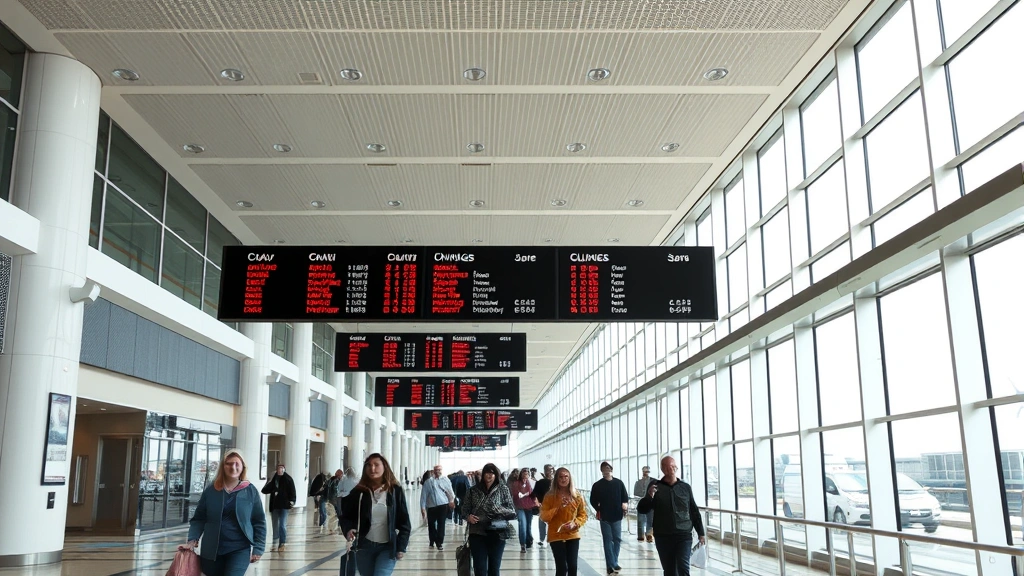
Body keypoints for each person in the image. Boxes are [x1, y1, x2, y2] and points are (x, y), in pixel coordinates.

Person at [185, 450, 266, 576]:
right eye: (228, 463)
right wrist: (192, 539)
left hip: (239, 549)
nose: (233, 467)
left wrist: (258, 548)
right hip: (212, 551)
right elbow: (199, 518)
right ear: (223, 466)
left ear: (242, 467)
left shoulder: (250, 491)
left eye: (236, 464)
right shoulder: (211, 490)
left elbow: (259, 521)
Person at [339, 453, 412, 576]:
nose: (372, 469)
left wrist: (401, 547)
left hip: (387, 548)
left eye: (376, 465)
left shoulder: (395, 491)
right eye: (369, 465)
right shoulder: (359, 492)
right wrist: (348, 529)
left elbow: (404, 522)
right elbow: (345, 516)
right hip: (364, 546)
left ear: (384, 467)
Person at [637, 456, 707, 576]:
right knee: (669, 570)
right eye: (668, 466)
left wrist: (701, 533)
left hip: (683, 534)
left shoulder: (685, 487)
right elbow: (642, 509)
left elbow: (694, 510)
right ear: (663, 469)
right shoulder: (655, 487)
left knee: (683, 566)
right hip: (663, 535)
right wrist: (649, 497)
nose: (671, 469)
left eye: (673, 466)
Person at [463, 463, 517, 576]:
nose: (490, 475)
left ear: (496, 475)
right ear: (483, 475)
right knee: (480, 569)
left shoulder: (503, 489)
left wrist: (498, 509)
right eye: (487, 472)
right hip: (477, 533)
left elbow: (512, 511)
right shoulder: (473, 490)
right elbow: (464, 510)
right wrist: (468, 517)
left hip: (497, 533)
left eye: (492, 473)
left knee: (494, 569)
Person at [539, 467, 588, 576]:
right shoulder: (550, 496)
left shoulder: (577, 496)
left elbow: (583, 515)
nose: (563, 479)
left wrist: (575, 523)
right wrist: (557, 508)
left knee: (573, 566)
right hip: (556, 535)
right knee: (561, 568)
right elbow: (543, 516)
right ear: (556, 479)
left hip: (572, 535)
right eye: (560, 477)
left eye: (566, 476)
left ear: (570, 478)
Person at [590, 462, 629, 575]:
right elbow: (593, 499)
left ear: (611, 469)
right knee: (608, 540)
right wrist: (598, 509)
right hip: (604, 516)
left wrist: (624, 505)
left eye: (607, 467)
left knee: (617, 539)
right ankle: (611, 564)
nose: (606, 469)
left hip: (617, 515)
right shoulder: (597, 485)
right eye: (603, 468)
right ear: (601, 470)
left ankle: (613, 562)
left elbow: (624, 497)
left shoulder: (619, 483)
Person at [420, 464, 456, 550]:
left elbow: (450, 492)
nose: (438, 471)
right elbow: (423, 496)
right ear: (433, 471)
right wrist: (423, 508)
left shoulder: (445, 480)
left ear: (441, 470)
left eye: (439, 470)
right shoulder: (428, 482)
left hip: (443, 505)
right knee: (431, 524)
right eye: (436, 470)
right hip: (431, 506)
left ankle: (439, 542)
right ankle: (432, 540)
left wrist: (451, 501)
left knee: (441, 524)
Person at [261, 463, 296, 552]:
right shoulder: (274, 479)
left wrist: (292, 501)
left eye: (281, 468)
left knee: (282, 525)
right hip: (275, 505)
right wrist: (270, 485)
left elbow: (292, 492)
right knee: (275, 525)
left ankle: (282, 543)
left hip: (284, 505)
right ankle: (274, 542)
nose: (280, 470)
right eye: (278, 468)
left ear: (284, 469)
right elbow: (264, 490)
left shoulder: (288, 479)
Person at [511, 468, 537, 552]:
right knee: (522, 524)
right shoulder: (516, 483)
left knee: (528, 526)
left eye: (527, 473)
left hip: (529, 507)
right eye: (524, 473)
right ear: (521, 474)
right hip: (520, 507)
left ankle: (529, 540)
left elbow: (533, 493)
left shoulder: (531, 483)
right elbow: (515, 494)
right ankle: (523, 544)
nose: (525, 475)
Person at [530, 464, 554, 548]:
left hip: (555, 505)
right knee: (542, 521)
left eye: (551, 469)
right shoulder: (540, 482)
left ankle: (552, 538)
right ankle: (542, 539)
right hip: (544, 505)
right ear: (544, 471)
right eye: (548, 470)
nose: (550, 471)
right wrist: (537, 502)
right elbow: (533, 494)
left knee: (553, 522)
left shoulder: (557, 482)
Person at [634, 466, 656, 543]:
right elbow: (635, 492)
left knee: (650, 519)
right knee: (640, 520)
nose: (646, 473)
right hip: (641, 503)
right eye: (644, 471)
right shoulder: (638, 482)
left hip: (650, 503)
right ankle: (640, 536)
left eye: (647, 471)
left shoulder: (653, 481)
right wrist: (643, 495)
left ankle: (649, 534)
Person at [323, 469, 343, 534]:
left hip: (329, 500)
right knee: (334, 515)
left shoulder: (330, 480)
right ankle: (332, 529)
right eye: (341, 475)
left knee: (332, 515)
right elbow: (335, 491)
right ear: (339, 475)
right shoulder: (336, 481)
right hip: (334, 501)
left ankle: (332, 529)